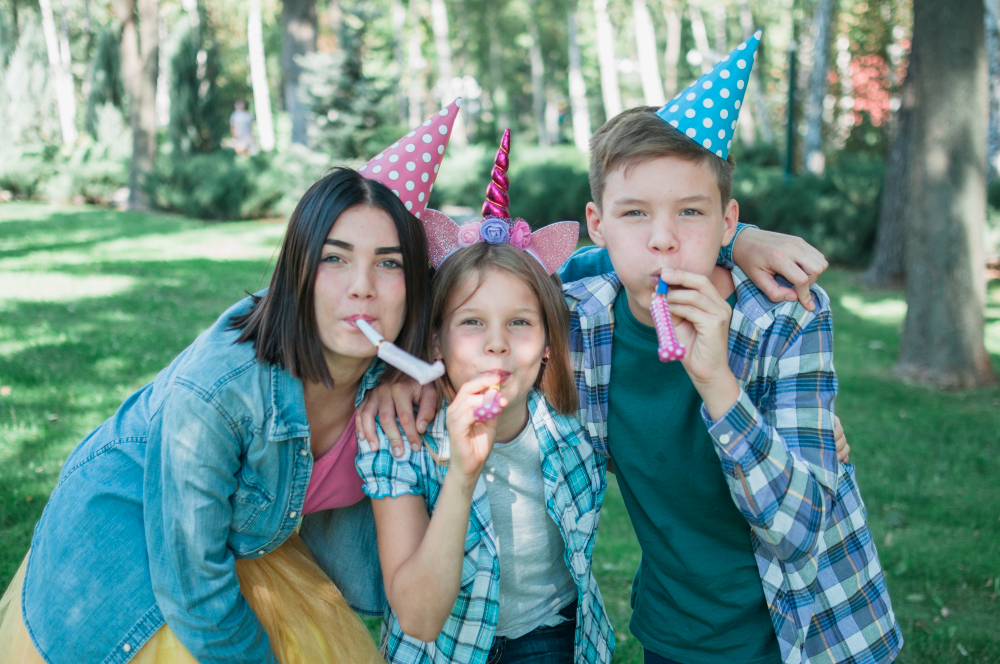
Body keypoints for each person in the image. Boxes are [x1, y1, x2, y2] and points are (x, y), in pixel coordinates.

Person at [0, 102, 463, 664]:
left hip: (236, 547)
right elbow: (192, 589)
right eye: (334, 259)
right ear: (298, 270)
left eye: (388, 264)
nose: (362, 286)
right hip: (128, 567)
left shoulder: (391, 369)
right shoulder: (218, 394)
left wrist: (423, 377)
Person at [560, 33, 901, 664]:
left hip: (812, 634)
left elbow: (800, 532)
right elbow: (482, 283)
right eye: (634, 214)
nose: (663, 239)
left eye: (691, 212)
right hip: (673, 634)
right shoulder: (579, 310)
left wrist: (719, 383)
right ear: (597, 223)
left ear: (726, 219)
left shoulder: (786, 317)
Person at [357, 134, 613, 663]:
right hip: (440, 651)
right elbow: (420, 619)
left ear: (548, 344)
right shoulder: (396, 431)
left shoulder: (580, 405)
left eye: (520, 323)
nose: (497, 343)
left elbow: (643, 266)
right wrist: (462, 473)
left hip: (551, 639)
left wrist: (739, 239)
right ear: (435, 341)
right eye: (472, 322)